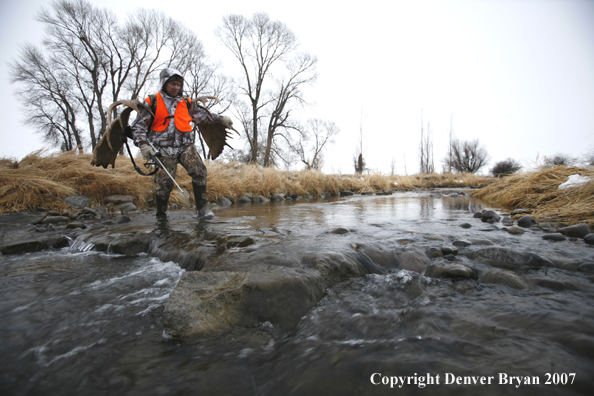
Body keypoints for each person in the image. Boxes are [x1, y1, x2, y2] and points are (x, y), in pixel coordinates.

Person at [131, 68, 232, 219]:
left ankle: (202, 211)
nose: (176, 87)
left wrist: (220, 119)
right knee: (165, 185)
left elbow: (202, 115)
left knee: (200, 172)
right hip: (162, 149)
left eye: (178, 84)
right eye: (172, 83)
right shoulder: (152, 101)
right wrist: (143, 144)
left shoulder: (186, 102)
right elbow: (138, 126)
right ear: (164, 83)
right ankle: (161, 216)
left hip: (185, 146)